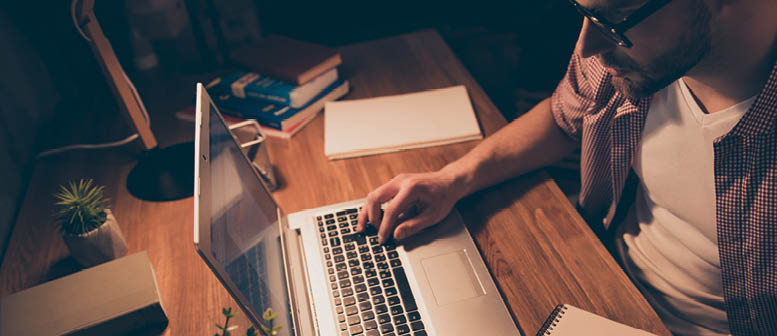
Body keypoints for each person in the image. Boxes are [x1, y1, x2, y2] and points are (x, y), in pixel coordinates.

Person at [356, 0, 777, 335]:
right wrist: (452, 178)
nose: (585, 47)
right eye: (583, 13)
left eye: (614, 18)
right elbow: (563, 116)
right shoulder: (624, 57)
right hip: (602, 284)